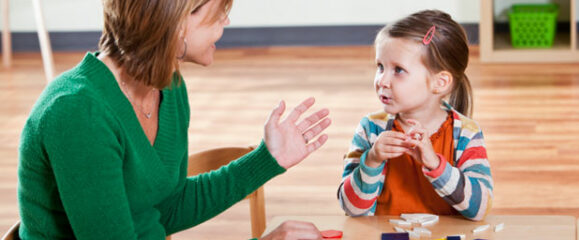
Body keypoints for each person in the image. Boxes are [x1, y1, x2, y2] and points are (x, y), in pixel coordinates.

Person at [17, 0, 330, 239]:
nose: (227, 20)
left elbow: (166, 207)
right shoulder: (77, 113)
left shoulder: (170, 87)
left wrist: (266, 159)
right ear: (178, 20)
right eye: (218, 13)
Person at [337, 10, 493, 221]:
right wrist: (371, 160)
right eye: (380, 67)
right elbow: (350, 208)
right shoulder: (370, 129)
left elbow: (480, 209)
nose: (382, 81)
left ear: (440, 82)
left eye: (398, 70)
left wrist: (437, 166)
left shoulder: (467, 133)